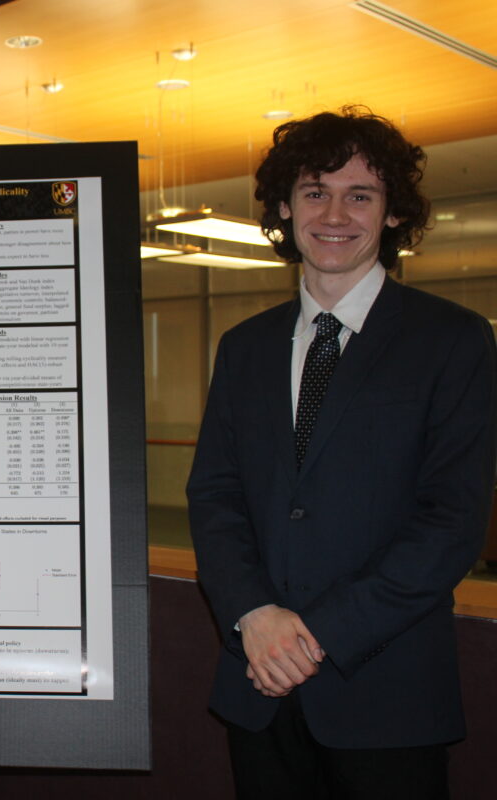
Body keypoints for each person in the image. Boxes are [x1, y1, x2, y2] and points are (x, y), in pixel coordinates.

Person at [187, 106, 497, 799]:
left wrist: (311, 639)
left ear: (392, 214)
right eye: (314, 191)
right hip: (258, 690)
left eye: (361, 195)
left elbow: (451, 523)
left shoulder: (453, 342)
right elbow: (214, 497)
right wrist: (255, 617)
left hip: (385, 695)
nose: (335, 213)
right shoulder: (245, 348)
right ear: (285, 207)